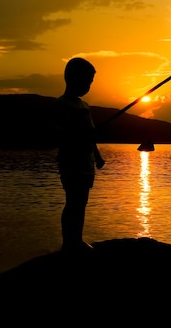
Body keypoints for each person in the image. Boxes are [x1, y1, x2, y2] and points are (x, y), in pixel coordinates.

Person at [53, 57, 105, 253]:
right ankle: (69, 242)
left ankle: (77, 239)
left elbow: (91, 137)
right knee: (73, 201)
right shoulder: (61, 105)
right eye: (87, 81)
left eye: (90, 82)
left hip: (86, 163)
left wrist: (98, 157)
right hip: (70, 162)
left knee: (81, 202)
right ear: (72, 79)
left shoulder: (85, 106)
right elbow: (59, 134)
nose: (88, 86)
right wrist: (76, 135)